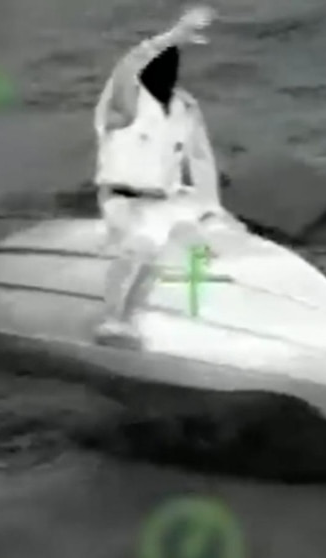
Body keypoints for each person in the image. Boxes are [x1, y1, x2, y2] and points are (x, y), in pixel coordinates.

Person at [91, 5, 239, 347]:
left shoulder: (185, 109)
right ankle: (112, 320)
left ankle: (144, 319)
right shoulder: (123, 103)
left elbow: (200, 159)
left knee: (193, 244)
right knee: (140, 246)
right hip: (122, 199)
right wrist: (175, 34)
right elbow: (128, 65)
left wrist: (211, 207)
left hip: (164, 200)